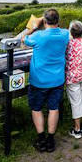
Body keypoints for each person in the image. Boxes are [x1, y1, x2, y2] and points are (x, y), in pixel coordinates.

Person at [21, 8, 69, 152]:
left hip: (39, 80)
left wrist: (34, 26)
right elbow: (64, 31)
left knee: (36, 108)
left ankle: (41, 139)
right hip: (57, 79)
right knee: (54, 108)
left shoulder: (38, 36)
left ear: (45, 21)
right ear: (58, 21)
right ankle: (50, 140)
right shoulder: (65, 34)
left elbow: (23, 39)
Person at [65, 20, 82, 139]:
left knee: (76, 102)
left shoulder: (69, 44)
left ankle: (77, 129)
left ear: (71, 32)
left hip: (73, 76)